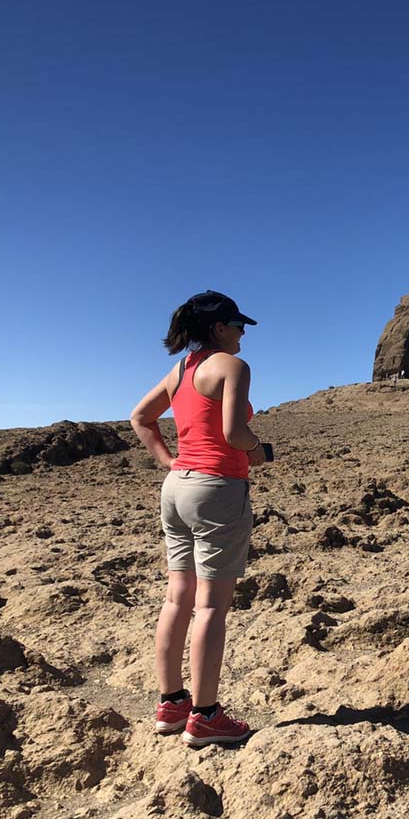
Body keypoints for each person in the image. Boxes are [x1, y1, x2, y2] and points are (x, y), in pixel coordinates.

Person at [130, 290, 268, 747]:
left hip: (178, 488)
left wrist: (168, 461)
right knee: (211, 605)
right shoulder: (231, 367)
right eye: (236, 324)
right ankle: (206, 716)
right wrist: (260, 451)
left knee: (178, 599)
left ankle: (172, 703)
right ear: (217, 329)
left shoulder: (181, 369)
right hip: (216, 489)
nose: (243, 333)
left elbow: (140, 418)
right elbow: (233, 433)